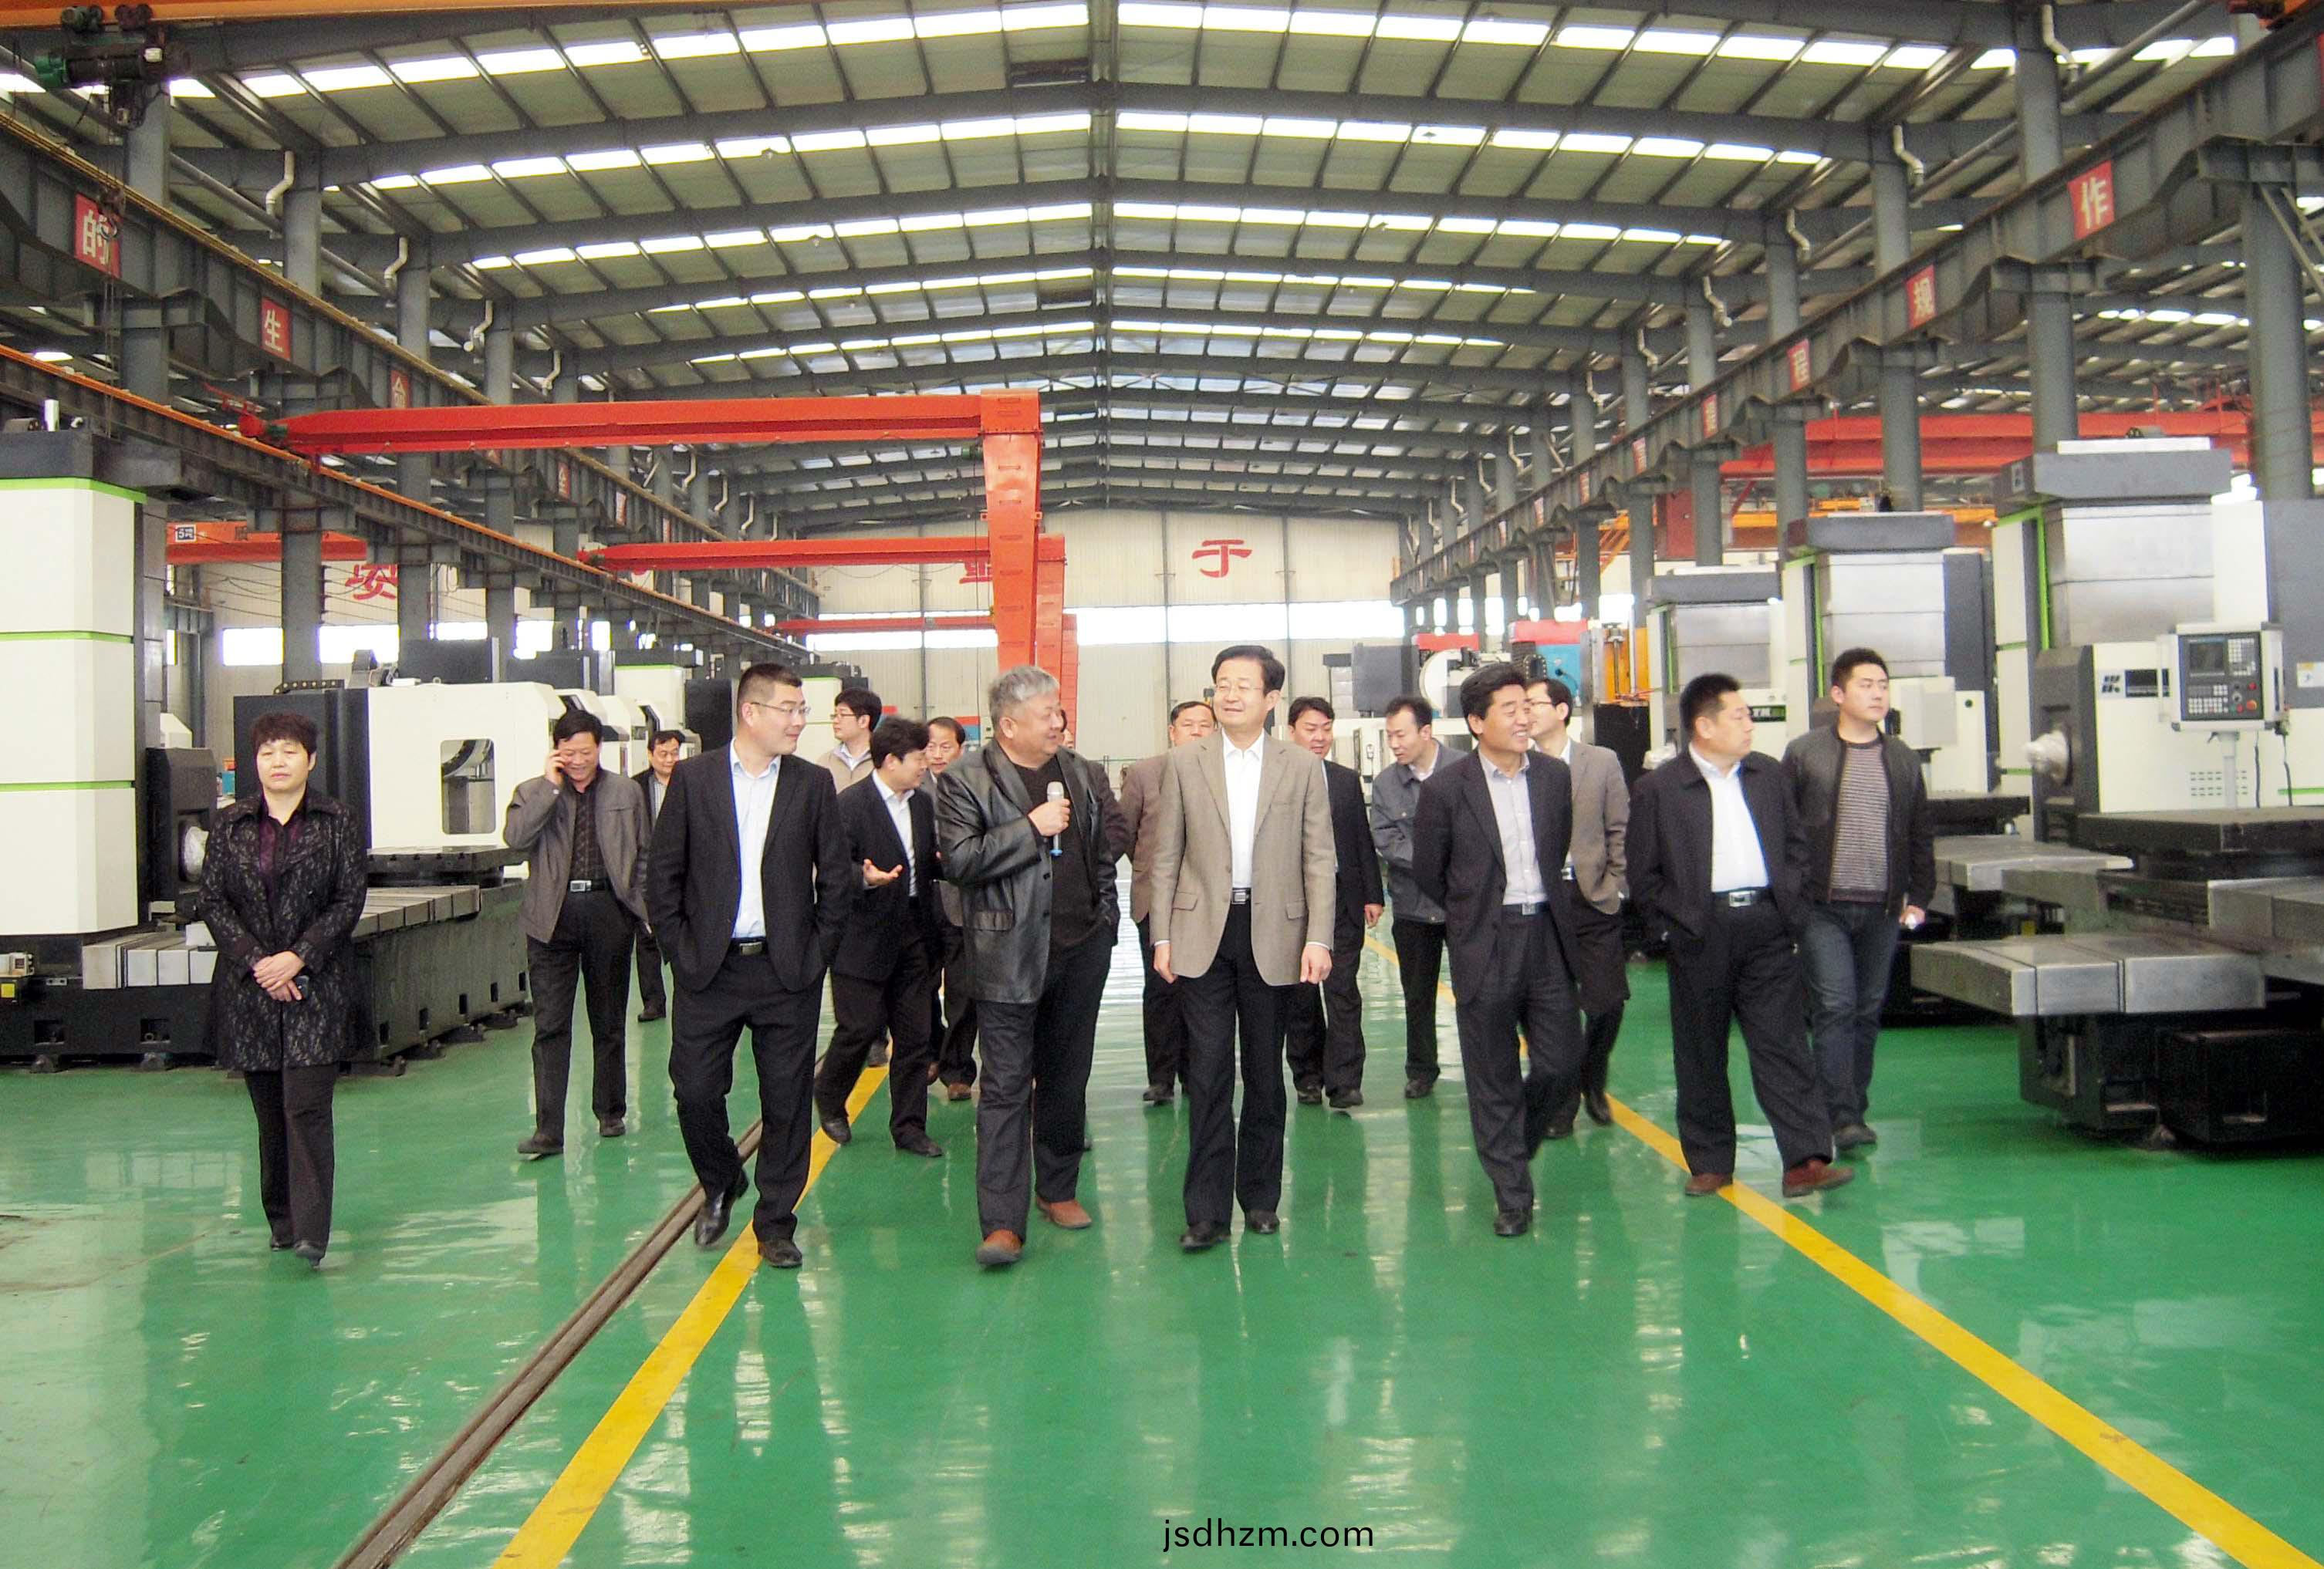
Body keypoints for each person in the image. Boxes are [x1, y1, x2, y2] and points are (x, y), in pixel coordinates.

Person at [647, 663, 853, 1270]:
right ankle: (721, 1179)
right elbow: (663, 876)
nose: (800, 721)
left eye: (802, 709)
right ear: (750, 712)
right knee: (694, 1091)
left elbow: (835, 879)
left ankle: (776, 1224)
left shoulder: (812, 784)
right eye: (790, 709)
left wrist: (816, 955)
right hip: (709, 970)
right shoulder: (694, 779)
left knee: (787, 1102)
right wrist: (680, 952)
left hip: (786, 971)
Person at [1628, 673, 1853, 1201]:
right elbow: (1643, 872)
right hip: (1699, 932)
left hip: (1766, 928)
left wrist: (1790, 910)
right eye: (1739, 715)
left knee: (1783, 1044)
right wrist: (1672, 927)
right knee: (1700, 1050)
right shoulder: (1660, 789)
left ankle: (1805, 1159)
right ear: (1704, 727)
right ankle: (1710, 1163)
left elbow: (1796, 848)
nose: (1750, 724)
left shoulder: (1768, 775)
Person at [1149, 645, 1336, 1251]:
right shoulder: (1185, 762)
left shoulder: (1300, 766)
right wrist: (1162, 935)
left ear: (1271, 699)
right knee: (1206, 1073)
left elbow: (1319, 858)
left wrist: (1318, 936)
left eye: (1244, 686)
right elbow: (1165, 854)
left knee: (1263, 1072)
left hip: (1274, 931)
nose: (1230, 695)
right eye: (1222, 684)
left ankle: (1260, 1198)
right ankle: (1205, 1212)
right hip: (1202, 930)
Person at [937, 666, 1120, 1268]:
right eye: (1047, 714)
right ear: (1009, 725)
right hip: (1008, 956)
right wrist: (1030, 829)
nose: (1058, 722)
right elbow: (960, 861)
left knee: (1067, 1079)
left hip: (1080, 948)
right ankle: (1002, 1224)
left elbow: (1100, 851)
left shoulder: (1079, 771)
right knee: (1006, 1088)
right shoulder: (965, 779)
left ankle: (1058, 1189)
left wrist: (1106, 919)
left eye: (1058, 711)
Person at [1411, 664, 1586, 1237]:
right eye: (1509, 709)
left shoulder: (1554, 778)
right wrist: (1473, 914)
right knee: (1493, 1074)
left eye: (1526, 706)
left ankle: (1514, 1141)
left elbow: (1556, 846)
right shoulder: (1446, 790)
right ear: (1476, 722)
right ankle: (1513, 1194)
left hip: (1547, 935)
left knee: (1561, 1063)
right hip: (1485, 942)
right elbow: (1431, 872)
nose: (1523, 717)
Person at [198, 710, 367, 1267]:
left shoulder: (338, 822)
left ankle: (313, 1233)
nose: (278, 761)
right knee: (270, 1113)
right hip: (251, 990)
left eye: (289, 751)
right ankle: (282, 1220)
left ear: (310, 760)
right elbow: (213, 901)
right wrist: (258, 962)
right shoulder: (230, 824)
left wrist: (298, 958)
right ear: (256, 762)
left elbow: (348, 899)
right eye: (268, 752)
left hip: (316, 986)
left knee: (307, 1108)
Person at [1782, 648, 1936, 1154]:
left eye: (1883, 685)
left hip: (1882, 907)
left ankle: (1854, 1104)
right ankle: (1840, 1116)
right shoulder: (1805, 754)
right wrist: (1789, 900)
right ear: (1838, 695)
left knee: (1868, 1010)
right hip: (1821, 907)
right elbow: (1783, 831)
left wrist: (1921, 896)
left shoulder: (1903, 758)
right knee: (1835, 1005)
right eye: (1866, 685)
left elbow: (1920, 832)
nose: (1877, 694)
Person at [504, 710, 651, 1156]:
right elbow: (515, 839)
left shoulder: (626, 792)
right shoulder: (532, 792)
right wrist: (550, 788)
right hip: (552, 917)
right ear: (556, 752)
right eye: (569, 753)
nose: (578, 761)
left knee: (608, 1020)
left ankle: (610, 1111)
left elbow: (645, 851)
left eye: (585, 752)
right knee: (550, 1025)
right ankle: (549, 1129)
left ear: (599, 748)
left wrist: (640, 907)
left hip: (609, 911)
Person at [814, 718, 947, 1158]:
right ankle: (829, 1093)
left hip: (914, 931)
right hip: (862, 935)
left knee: (915, 1035)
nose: (925, 766)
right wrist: (864, 878)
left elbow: (927, 862)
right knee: (860, 1028)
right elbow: (831, 868)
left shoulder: (922, 805)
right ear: (891, 761)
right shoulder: (850, 806)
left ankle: (909, 1127)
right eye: (918, 759)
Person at [1528, 677, 1630, 1139]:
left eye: (1535, 703)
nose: (1526, 712)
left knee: (1607, 1001)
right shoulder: (1521, 766)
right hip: (1545, 902)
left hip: (1592, 896)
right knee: (1558, 1010)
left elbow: (1620, 828)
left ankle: (1594, 1072)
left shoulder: (1601, 762)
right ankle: (1563, 1105)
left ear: (1562, 710)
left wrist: (1615, 885)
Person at [1282, 697, 1383, 1110]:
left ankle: (1345, 1083)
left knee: (1342, 989)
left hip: (1342, 898)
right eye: (1310, 729)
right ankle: (1308, 1077)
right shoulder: (1277, 780)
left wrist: (1373, 893)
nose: (1320, 737)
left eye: (1326, 728)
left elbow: (1360, 838)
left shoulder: (1343, 780)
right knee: (1301, 994)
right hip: (1293, 901)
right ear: (1291, 732)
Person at [1117, 699, 1216, 1105]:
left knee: (1203, 992)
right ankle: (1161, 1077)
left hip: (1208, 902)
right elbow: (1124, 834)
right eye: (1188, 724)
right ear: (1172, 732)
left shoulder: (1223, 773)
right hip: (1155, 901)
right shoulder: (1145, 773)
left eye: (1204, 725)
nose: (1197, 731)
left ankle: (1197, 1075)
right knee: (1160, 990)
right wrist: (1149, 871)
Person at [1368, 696, 1450, 1099]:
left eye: (1401, 735)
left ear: (1426, 731)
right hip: (1414, 906)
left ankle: (1487, 1066)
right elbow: (1386, 839)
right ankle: (1421, 1070)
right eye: (1389, 736)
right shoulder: (1386, 784)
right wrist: (1437, 862)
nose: (1394, 744)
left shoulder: (1465, 770)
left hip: (1463, 904)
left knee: (1481, 992)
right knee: (1417, 995)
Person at [922, 717, 978, 1102]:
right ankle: (932, 1051)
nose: (938, 754)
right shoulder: (911, 789)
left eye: (946, 746)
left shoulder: (974, 787)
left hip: (962, 901)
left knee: (961, 990)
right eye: (931, 746)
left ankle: (957, 1069)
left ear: (961, 749)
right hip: (923, 902)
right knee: (920, 986)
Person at [632, 728, 684, 1024]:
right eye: (663, 754)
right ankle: (653, 1002)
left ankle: (686, 994)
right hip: (647, 870)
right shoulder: (636, 787)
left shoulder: (689, 781)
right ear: (650, 755)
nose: (669, 759)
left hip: (683, 870)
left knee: (682, 935)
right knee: (646, 937)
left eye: (674, 753)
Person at [821, 686, 881, 791]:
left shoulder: (884, 761)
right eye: (835, 715)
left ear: (863, 721)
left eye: (842, 714)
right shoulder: (825, 762)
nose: (835, 721)